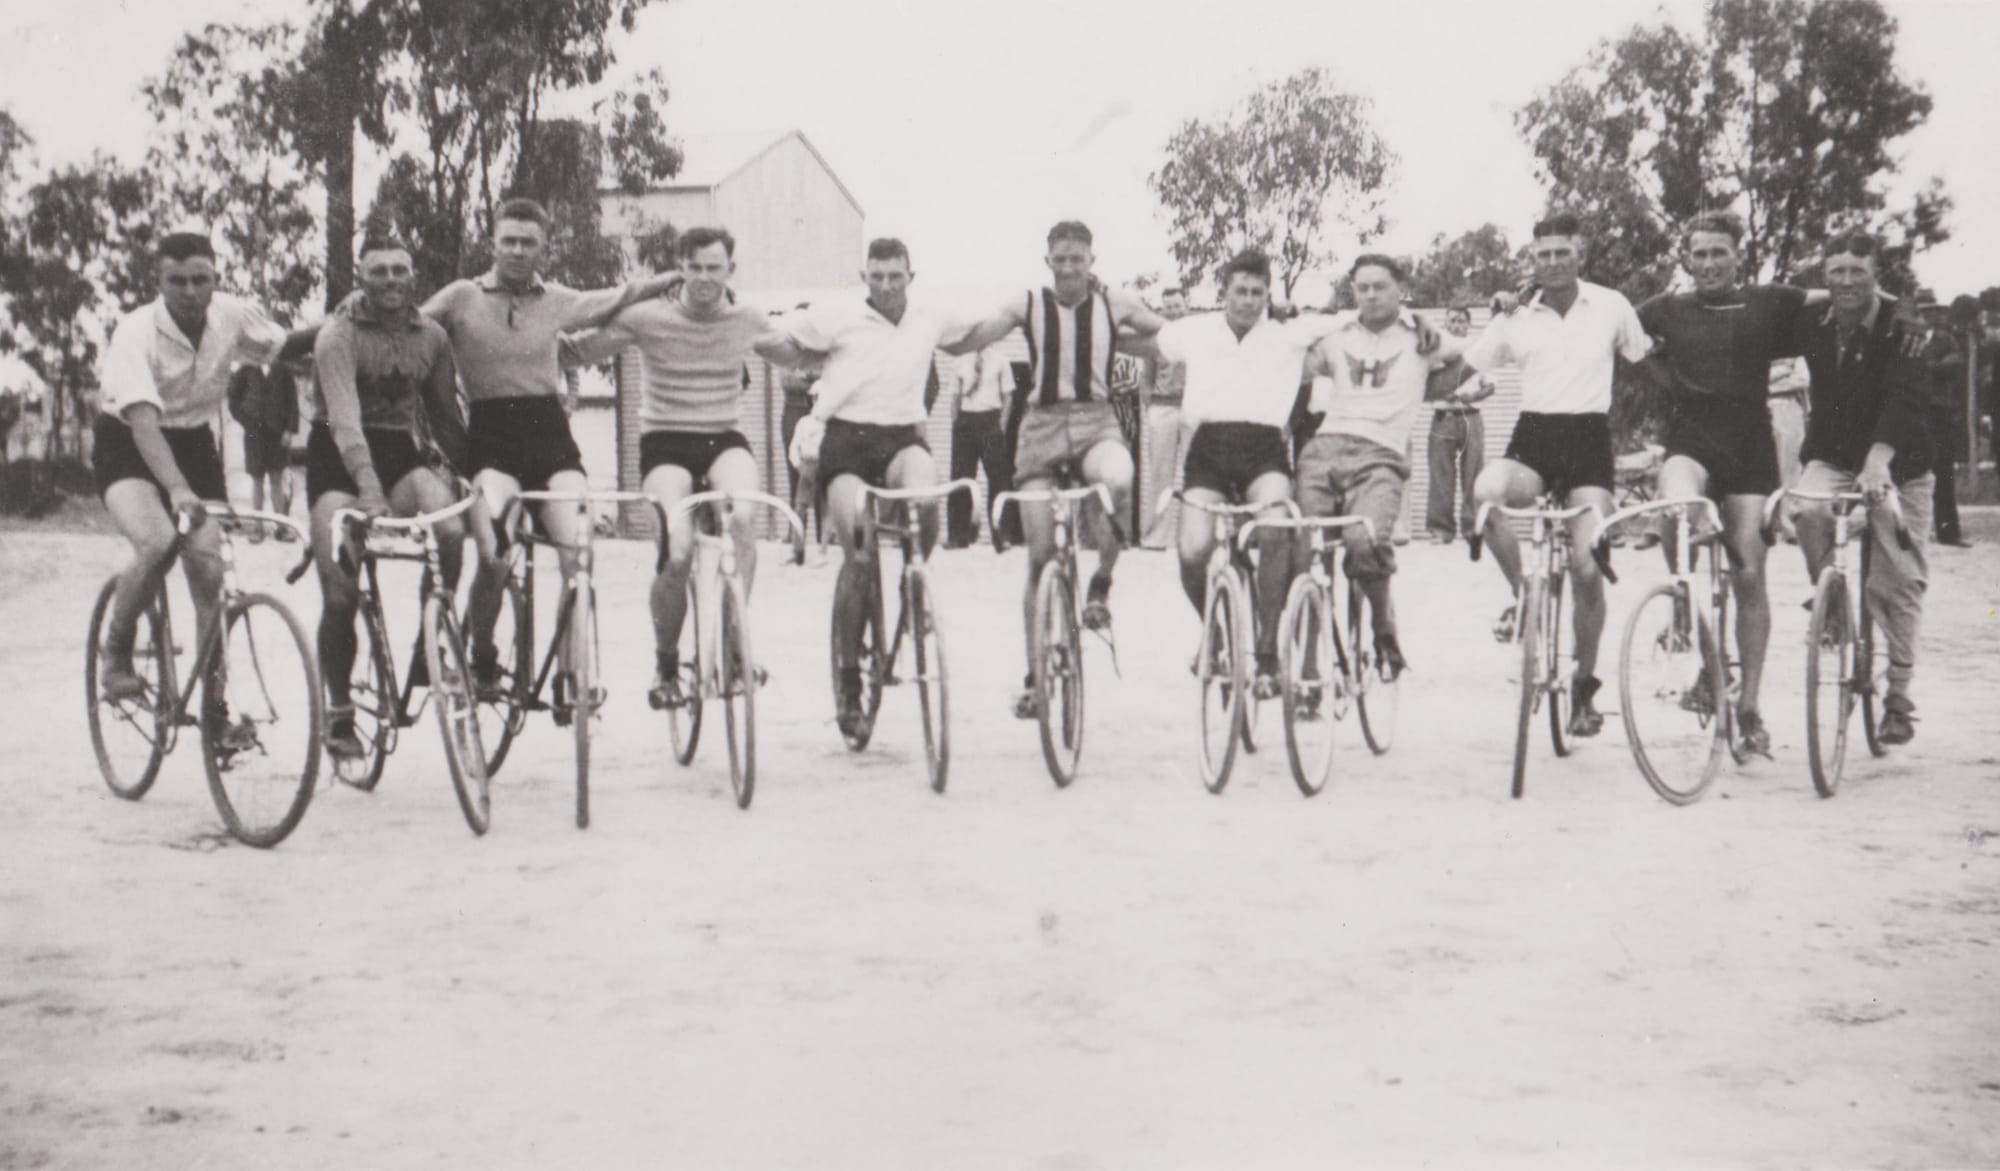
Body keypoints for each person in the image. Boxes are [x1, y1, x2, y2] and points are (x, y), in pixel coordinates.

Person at [421, 197, 675, 694]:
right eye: (508, 241)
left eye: (528, 242)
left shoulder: (556, 299)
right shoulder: (461, 297)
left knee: (578, 552)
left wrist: (666, 283)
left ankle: (568, 674)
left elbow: (615, 297)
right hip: (491, 442)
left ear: (543, 247)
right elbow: (409, 327)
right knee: (495, 553)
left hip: (550, 437)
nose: (517, 251)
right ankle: (484, 655)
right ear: (492, 242)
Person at [91, 229, 316, 738]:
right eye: (177, 281)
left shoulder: (232, 315)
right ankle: (117, 651)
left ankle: (215, 711)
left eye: (201, 279)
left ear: (216, 277)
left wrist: (342, 321)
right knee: (157, 541)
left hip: (194, 445)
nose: (190, 291)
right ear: (159, 281)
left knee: (211, 577)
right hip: (128, 442)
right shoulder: (136, 332)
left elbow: (283, 347)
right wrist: (176, 492)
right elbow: (144, 424)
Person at [563, 226, 798, 708]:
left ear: (731, 270)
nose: (705, 278)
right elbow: (580, 347)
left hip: (723, 438)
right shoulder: (649, 318)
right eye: (695, 267)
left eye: (716, 268)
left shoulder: (747, 318)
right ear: (680, 269)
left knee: (743, 518)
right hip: (665, 442)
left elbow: (797, 352)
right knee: (678, 549)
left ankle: (734, 648)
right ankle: (666, 663)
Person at [947, 221, 1166, 718]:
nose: (1068, 268)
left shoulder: (1116, 304)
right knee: (1040, 554)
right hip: (1041, 428)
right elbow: (974, 335)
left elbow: (1166, 333)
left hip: (1096, 422)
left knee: (1118, 480)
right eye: (1060, 259)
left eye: (1077, 259)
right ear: (1047, 261)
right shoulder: (1028, 303)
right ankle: (1034, 676)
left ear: (1092, 260)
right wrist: (923, 331)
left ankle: (1101, 583)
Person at [1632, 211, 1826, 757]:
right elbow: (1612, 325)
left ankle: (1750, 707)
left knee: (1748, 570)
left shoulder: (1768, 299)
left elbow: (1833, 293)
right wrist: (1663, 378)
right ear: (1686, 260)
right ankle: (1684, 617)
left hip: (1748, 448)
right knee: (1675, 505)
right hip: (1691, 438)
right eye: (1700, 254)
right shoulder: (1667, 308)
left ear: (1738, 256)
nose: (1710, 263)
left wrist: (1878, 293)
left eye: (1720, 253)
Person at [770, 238, 973, 738]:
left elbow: (979, 332)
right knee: (858, 556)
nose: (885, 285)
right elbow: (781, 341)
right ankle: (848, 679)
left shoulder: (929, 316)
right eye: (876, 276)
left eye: (895, 276)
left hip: (902, 437)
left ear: (911, 276)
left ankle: (914, 580)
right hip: (848, 441)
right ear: (865, 276)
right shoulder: (836, 314)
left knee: (926, 504)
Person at [1464, 212, 1652, 738]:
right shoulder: (1517, 313)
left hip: (1590, 441)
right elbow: (1475, 365)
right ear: (1533, 259)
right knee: (1485, 494)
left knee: (1587, 566)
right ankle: (1524, 596)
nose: (1551, 263)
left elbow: (1643, 357)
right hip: (1534, 438)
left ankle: (1584, 689)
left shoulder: (1612, 305)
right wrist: (1499, 312)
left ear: (1579, 254)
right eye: (1542, 254)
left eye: (1560, 253)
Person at [1141, 250, 1342, 697]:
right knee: (1192, 550)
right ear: (1223, 292)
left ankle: (1268, 655)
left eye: (1257, 292)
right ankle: (1215, 632)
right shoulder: (1194, 330)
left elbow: (1359, 316)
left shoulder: (1291, 332)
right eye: (1240, 291)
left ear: (1269, 294)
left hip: (1264, 450)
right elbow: (1139, 338)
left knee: (1276, 531)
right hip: (1207, 450)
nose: (1248, 301)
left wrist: (1416, 321)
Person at [308, 235, 472, 759]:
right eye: (378, 271)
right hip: (338, 455)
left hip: (398, 451)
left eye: (399, 270)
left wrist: (471, 475)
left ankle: (429, 645)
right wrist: (369, 493)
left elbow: (446, 417)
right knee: (339, 593)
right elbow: (344, 420)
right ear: (360, 276)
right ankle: (338, 713)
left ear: (413, 275)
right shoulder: (337, 335)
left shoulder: (433, 338)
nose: (390, 281)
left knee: (450, 528)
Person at [1789, 231, 1934, 746]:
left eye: (1858, 271)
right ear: (1824, 276)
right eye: (1837, 271)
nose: (1847, 281)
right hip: (1832, 453)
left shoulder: (1904, 325)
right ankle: (1829, 602)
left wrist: (1879, 463)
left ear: (1877, 275)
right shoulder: (1813, 318)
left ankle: (1897, 697)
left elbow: (1903, 396)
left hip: (1901, 460)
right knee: (1805, 510)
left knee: (1896, 580)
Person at [1295, 255, 1463, 680]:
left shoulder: (1422, 338)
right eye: (1362, 287)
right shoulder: (1335, 335)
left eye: (1380, 286)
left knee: (1363, 540)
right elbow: (1289, 360)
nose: (1371, 294)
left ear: (1399, 288)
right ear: (1352, 291)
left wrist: (1426, 368)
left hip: (1382, 452)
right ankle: (1310, 669)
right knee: (1306, 552)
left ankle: (1383, 629)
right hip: (1326, 447)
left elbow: (1465, 356)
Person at [1422, 304, 1492, 543]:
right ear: (1445, 324)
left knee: (1473, 473)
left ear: (1468, 324)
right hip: (1443, 417)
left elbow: (1490, 385)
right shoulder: (1436, 351)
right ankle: (1441, 530)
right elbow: (1424, 384)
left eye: (1461, 320)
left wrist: (1469, 397)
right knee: (1440, 474)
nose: (1456, 325)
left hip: (1470, 417)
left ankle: (1472, 529)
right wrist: (1442, 393)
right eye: (1452, 321)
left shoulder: (1478, 349)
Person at [945, 340, 1015, 549]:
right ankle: (958, 536)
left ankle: (1001, 536)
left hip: (990, 420)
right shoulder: (959, 360)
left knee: (999, 479)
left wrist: (1000, 425)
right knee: (961, 478)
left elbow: (1009, 396)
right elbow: (954, 396)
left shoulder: (1001, 360)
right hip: (966, 421)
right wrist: (956, 421)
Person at [1916, 291, 1972, 546]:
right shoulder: (1906, 340)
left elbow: (1956, 362)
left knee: (1943, 470)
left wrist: (1929, 367)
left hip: (1939, 412)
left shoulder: (1946, 339)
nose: (1927, 317)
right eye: (1922, 312)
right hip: (1913, 411)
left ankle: (1948, 531)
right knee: (1909, 471)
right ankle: (1910, 532)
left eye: (1931, 312)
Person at [227, 358, 298, 525]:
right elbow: (233, 399)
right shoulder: (246, 369)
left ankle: (281, 526)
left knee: (276, 480)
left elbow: (292, 401)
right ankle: (257, 526)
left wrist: (289, 430)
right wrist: (245, 420)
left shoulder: (283, 369)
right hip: (254, 434)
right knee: (257, 480)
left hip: (277, 434)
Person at [1767, 355, 1810, 539]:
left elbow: (1802, 378)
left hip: (1787, 407)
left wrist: (1766, 381)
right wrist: (1783, 371)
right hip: (1758, 407)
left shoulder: (1794, 352)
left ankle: (1788, 521)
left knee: (1789, 467)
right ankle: (1768, 521)